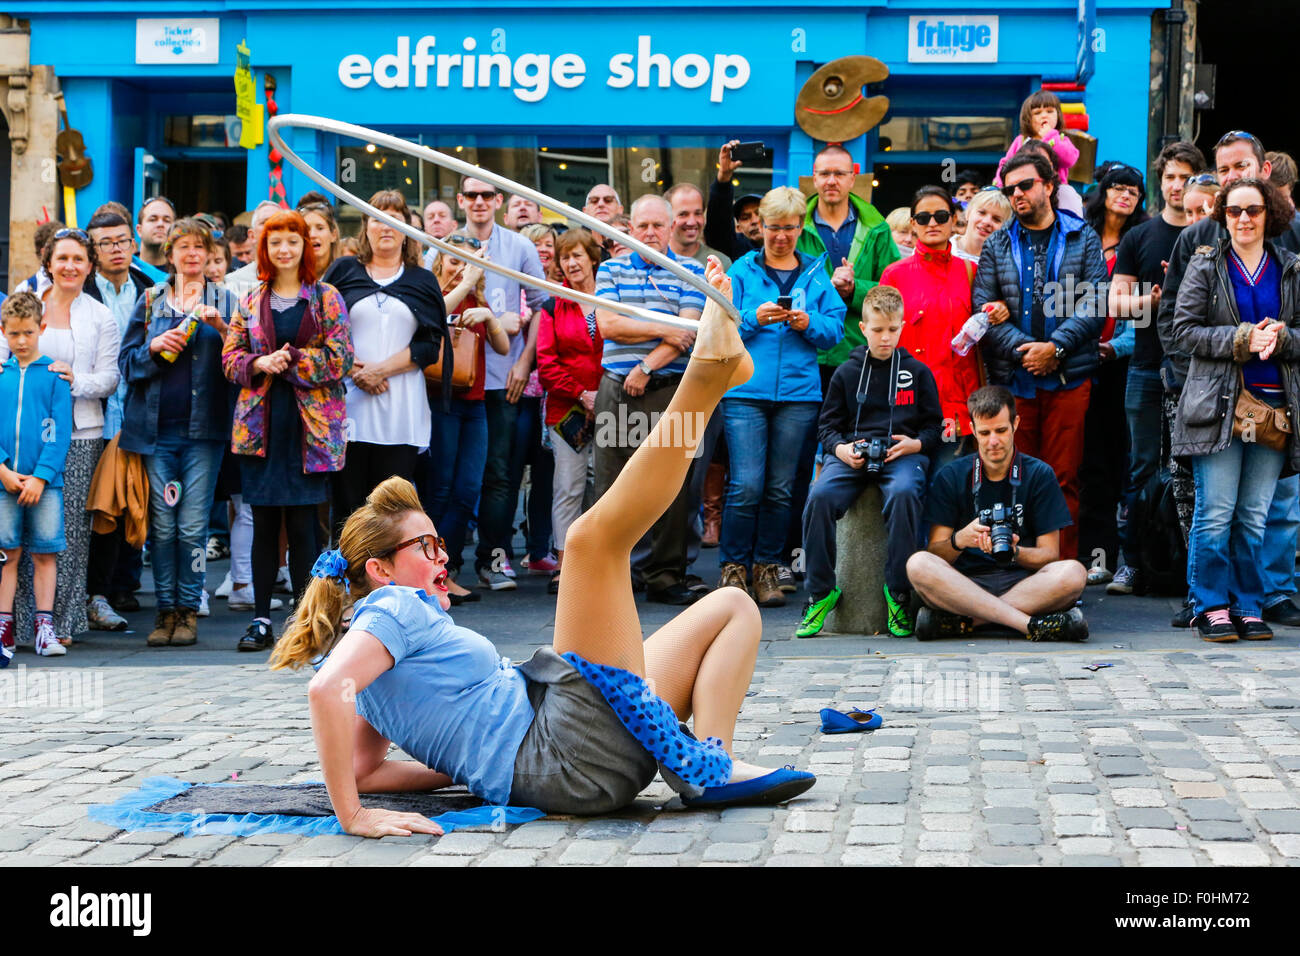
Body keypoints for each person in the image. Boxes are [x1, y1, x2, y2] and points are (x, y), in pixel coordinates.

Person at [269, 258, 817, 832]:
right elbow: (326, 691)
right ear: (380, 571)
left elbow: (364, 768)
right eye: (426, 546)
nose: (443, 557)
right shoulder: (394, 609)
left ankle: (712, 764)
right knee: (589, 542)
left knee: (731, 607)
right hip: (567, 751)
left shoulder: (380, 650)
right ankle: (706, 378)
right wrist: (351, 816)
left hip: (572, 758)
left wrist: (462, 765)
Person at [1158, 131, 1300, 629]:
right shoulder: (1204, 262)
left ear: (1269, 215)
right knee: (1215, 513)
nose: (1244, 218)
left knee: (1254, 517)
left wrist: (1282, 340)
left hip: (1273, 408)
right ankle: (1210, 605)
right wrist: (1241, 339)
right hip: (1218, 404)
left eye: (1253, 211)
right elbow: (1182, 330)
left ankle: (1248, 604)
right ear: (1222, 214)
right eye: (1234, 210)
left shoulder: (1290, 268)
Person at [222, 210, 354, 652]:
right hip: (261, 427)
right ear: (265, 248)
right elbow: (230, 357)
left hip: (311, 430)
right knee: (263, 524)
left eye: (292, 241)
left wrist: (292, 361)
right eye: (275, 241)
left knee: (305, 529)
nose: (284, 249)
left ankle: (308, 618)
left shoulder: (327, 297)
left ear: (305, 247)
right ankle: (261, 617)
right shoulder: (249, 299)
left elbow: (340, 359)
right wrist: (259, 363)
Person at [973, 149, 1108, 561]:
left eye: (1026, 185)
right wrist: (1026, 352)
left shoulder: (1082, 236)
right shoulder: (997, 243)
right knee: (1013, 479)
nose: (1017, 195)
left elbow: (1096, 301)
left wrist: (1056, 348)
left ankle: (1062, 575)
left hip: (1069, 378)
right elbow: (983, 308)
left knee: (1063, 478)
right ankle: (1019, 567)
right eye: (1010, 189)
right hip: (1015, 381)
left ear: (1049, 186)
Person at [716, 187, 844, 608]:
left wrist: (809, 323)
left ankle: (768, 569)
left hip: (799, 395)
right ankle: (733, 569)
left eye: (789, 228)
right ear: (761, 228)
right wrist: (754, 317)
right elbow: (723, 328)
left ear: (800, 228)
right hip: (745, 391)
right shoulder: (741, 271)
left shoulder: (815, 272)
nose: (781, 237)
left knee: (780, 488)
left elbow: (835, 332)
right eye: (773, 228)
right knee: (746, 484)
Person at [119, 218, 239, 647]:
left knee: (191, 528)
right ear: (169, 255)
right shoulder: (151, 301)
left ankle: (188, 611)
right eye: (183, 247)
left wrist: (224, 331)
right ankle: (164, 612)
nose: (191, 254)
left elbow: (243, 367)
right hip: (155, 435)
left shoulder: (224, 300)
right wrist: (153, 348)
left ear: (209, 256)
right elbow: (127, 364)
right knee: (162, 528)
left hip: (203, 435)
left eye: (199, 248)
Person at [796, 284, 940, 638]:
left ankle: (898, 592)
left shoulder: (918, 372)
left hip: (901, 454)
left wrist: (916, 444)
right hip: (851, 453)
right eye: (877, 330)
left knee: (905, 494)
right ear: (863, 328)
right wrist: (842, 449)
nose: (885, 337)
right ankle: (821, 590)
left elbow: (935, 427)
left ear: (903, 326)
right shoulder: (846, 373)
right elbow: (827, 427)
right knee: (818, 497)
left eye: (893, 329)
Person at [1, 228, 119, 649]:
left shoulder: (99, 316)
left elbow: (109, 378)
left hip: (81, 433)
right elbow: (4, 360)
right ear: (49, 261)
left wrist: (75, 380)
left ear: (90, 266)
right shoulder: (29, 303)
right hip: (20, 439)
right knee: (15, 536)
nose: (70, 266)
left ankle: (59, 622)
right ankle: (15, 622)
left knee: (63, 533)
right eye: (63, 258)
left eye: (79, 259)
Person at [906, 385, 1088, 641]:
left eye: (1001, 430)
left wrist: (1015, 552)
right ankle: (1029, 624)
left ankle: (967, 622)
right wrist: (961, 540)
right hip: (964, 583)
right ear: (972, 430)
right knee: (918, 564)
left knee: (1074, 572)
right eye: (985, 432)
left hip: (1023, 583)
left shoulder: (1039, 474)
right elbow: (936, 553)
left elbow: (1050, 554)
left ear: (1016, 424)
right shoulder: (952, 475)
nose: (993, 441)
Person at [594, 194, 706, 605]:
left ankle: (665, 576)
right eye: (642, 226)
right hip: (615, 391)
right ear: (630, 228)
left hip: (673, 392)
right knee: (611, 485)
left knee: (675, 488)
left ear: (672, 225)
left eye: (658, 225)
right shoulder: (609, 269)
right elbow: (608, 324)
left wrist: (645, 368)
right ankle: (611, 575)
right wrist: (664, 327)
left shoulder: (692, 271)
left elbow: (689, 333)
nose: (650, 233)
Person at [1106, 141, 1205, 596]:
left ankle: (1192, 567)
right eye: (1170, 177)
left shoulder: (1212, 233)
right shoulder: (1139, 237)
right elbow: (1114, 302)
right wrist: (1153, 300)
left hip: (1201, 373)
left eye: (1186, 178)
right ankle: (1134, 563)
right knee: (1141, 468)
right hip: (1146, 368)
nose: (1177, 185)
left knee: (1195, 471)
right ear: (1160, 182)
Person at [322, 190, 448, 540]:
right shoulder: (344, 271)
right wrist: (354, 371)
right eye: (377, 216)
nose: (386, 225)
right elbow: (320, 327)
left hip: (400, 411)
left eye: (395, 217)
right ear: (365, 227)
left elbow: (429, 344)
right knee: (348, 507)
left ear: (407, 228)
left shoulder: (422, 280)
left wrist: (380, 370)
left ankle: (389, 588)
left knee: (392, 511)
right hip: (349, 408)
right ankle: (346, 588)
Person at [454, 176, 547, 591]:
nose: (478, 201)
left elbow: (543, 306)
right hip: (453, 378)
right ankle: (446, 564)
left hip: (501, 377)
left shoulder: (520, 246)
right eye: (471, 195)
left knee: (500, 474)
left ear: (498, 200)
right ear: (460, 200)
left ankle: (493, 559)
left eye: (486, 195)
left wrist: (525, 362)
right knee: (454, 476)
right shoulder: (444, 242)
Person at [423, 233, 509, 602]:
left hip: (475, 405)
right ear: (440, 262)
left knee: (468, 489)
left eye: (468, 261)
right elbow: (432, 315)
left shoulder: (479, 299)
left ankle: (447, 568)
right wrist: (467, 283)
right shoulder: (433, 293)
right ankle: (430, 575)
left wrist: (489, 316)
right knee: (438, 489)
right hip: (439, 402)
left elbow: (503, 347)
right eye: (454, 260)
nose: (461, 269)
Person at [1077, 162, 1150, 583]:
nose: (1125, 196)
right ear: (1102, 192)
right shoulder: (1082, 238)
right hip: (1080, 360)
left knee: (1122, 462)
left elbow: (1141, 317)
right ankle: (1091, 556)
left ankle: (1125, 559)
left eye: (1134, 192)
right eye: (1118, 188)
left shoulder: (1139, 242)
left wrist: (1112, 347)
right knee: (1089, 465)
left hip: (1123, 365)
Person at [82, 211, 154, 626]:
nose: (115, 249)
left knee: (133, 502)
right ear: (95, 250)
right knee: (100, 509)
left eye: (121, 240)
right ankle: (97, 592)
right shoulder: (84, 291)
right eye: (106, 243)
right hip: (94, 416)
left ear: (133, 243)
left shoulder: (149, 288)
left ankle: (123, 587)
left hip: (138, 413)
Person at [880, 187, 980, 472]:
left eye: (940, 216)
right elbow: (881, 340)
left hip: (956, 406)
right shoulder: (894, 274)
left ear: (954, 219)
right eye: (923, 217)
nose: (932, 223)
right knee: (907, 489)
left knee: (946, 492)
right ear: (913, 224)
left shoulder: (971, 271)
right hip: (907, 405)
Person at [0, 292, 73, 659]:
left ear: (41, 328)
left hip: (47, 485)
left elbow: (60, 433)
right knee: (5, 553)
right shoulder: (0, 376)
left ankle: (45, 627)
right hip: (3, 483)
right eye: (14, 334)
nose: (22, 341)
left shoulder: (56, 376)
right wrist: (3, 470)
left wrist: (42, 477)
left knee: (45, 554)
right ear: (3, 332)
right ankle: (4, 626)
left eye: (28, 332)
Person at [796, 144, 901, 390]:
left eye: (840, 174)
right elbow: (783, 284)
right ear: (814, 177)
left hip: (860, 349)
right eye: (824, 174)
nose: (831, 181)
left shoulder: (877, 228)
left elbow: (895, 290)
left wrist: (854, 291)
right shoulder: (794, 225)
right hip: (806, 350)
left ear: (852, 179)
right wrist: (827, 288)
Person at [537, 228, 605, 596]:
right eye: (565, 257)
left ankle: (597, 560)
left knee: (604, 488)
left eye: (578, 255)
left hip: (613, 407)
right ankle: (564, 565)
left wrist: (603, 395)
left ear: (593, 258)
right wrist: (582, 393)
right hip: (567, 412)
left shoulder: (612, 299)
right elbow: (545, 364)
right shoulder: (552, 306)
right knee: (568, 487)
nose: (571, 263)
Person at [995, 91, 1080, 190]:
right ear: (1028, 119)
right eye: (1037, 113)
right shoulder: (1021, 141)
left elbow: (1070, 160)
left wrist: (1050, 136)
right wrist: (999, 186)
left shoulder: (1061, 139)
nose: (1044, 116)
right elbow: (1005, 164)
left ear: (1058, 115)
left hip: (1056, 191)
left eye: (1050, 111)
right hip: (1025, 189)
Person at [707, 140, 765, 262]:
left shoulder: (793, 248)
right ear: (738, 228)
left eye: (759, 213)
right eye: (745, 217)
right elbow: (718, 225)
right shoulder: (737, 249)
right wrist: (724, 176)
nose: (754, 221)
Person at [665, 182, 733, 271]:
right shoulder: (652, 259)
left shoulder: (718, 264)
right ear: (666, 217)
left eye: (698, 213)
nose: (692, 222)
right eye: (683, 214)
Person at [225, 202, 282, 301]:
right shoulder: (233, 282)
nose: (272, 226)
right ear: (252, 235)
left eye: (278, 221)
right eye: (264, 222)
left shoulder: (302, 280)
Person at [951, 187, 1012, 265]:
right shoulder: (942, 247)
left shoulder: (1005, 265)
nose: (986, 222)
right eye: (982, 212)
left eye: (996, 219)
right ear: (968, 213)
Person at [135, 197, 175, 280]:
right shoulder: (127, 270)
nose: (160, 224)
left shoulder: (183, 273)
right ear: (139, 230)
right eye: (153, 219)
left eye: (167, 220)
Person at [299, 201, 341, 276]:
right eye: (306, 229)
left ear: (333, 235)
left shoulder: (347, 274)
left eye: (320, 228)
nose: (312, 235)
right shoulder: (289, 277)